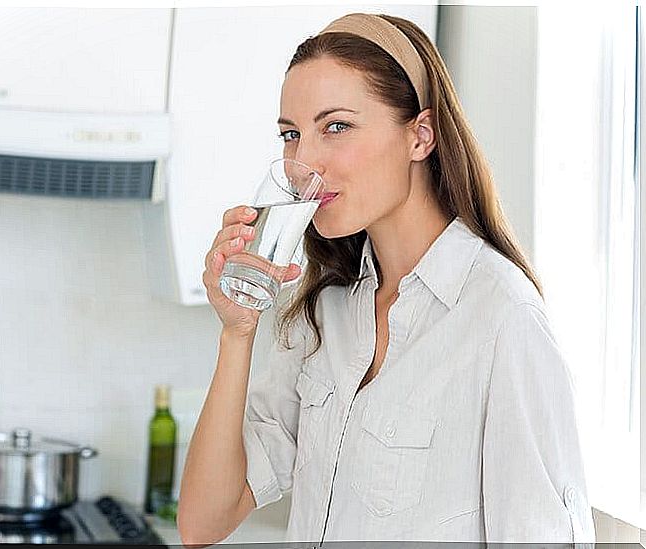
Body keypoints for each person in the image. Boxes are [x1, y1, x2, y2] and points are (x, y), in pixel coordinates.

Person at [177, 12, 595, 546]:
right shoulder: (323, 309)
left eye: (336, 126)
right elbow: (202, 522)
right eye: (291, 134)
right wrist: (237, 331)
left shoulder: (502, 317)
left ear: (420, 136)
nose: (304, 160)